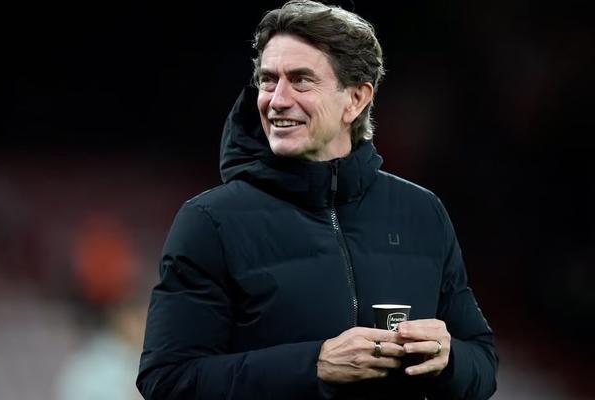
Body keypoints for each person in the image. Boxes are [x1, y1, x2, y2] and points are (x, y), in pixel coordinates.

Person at [137, 1, 498, 399]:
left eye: (301, 80)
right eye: (268, 80)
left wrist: (449, 359)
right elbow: (167, 381)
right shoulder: (210, 221)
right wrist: (315, 365)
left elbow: (483, 365)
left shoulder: (421, 213)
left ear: (356, 99)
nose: (277, 99)